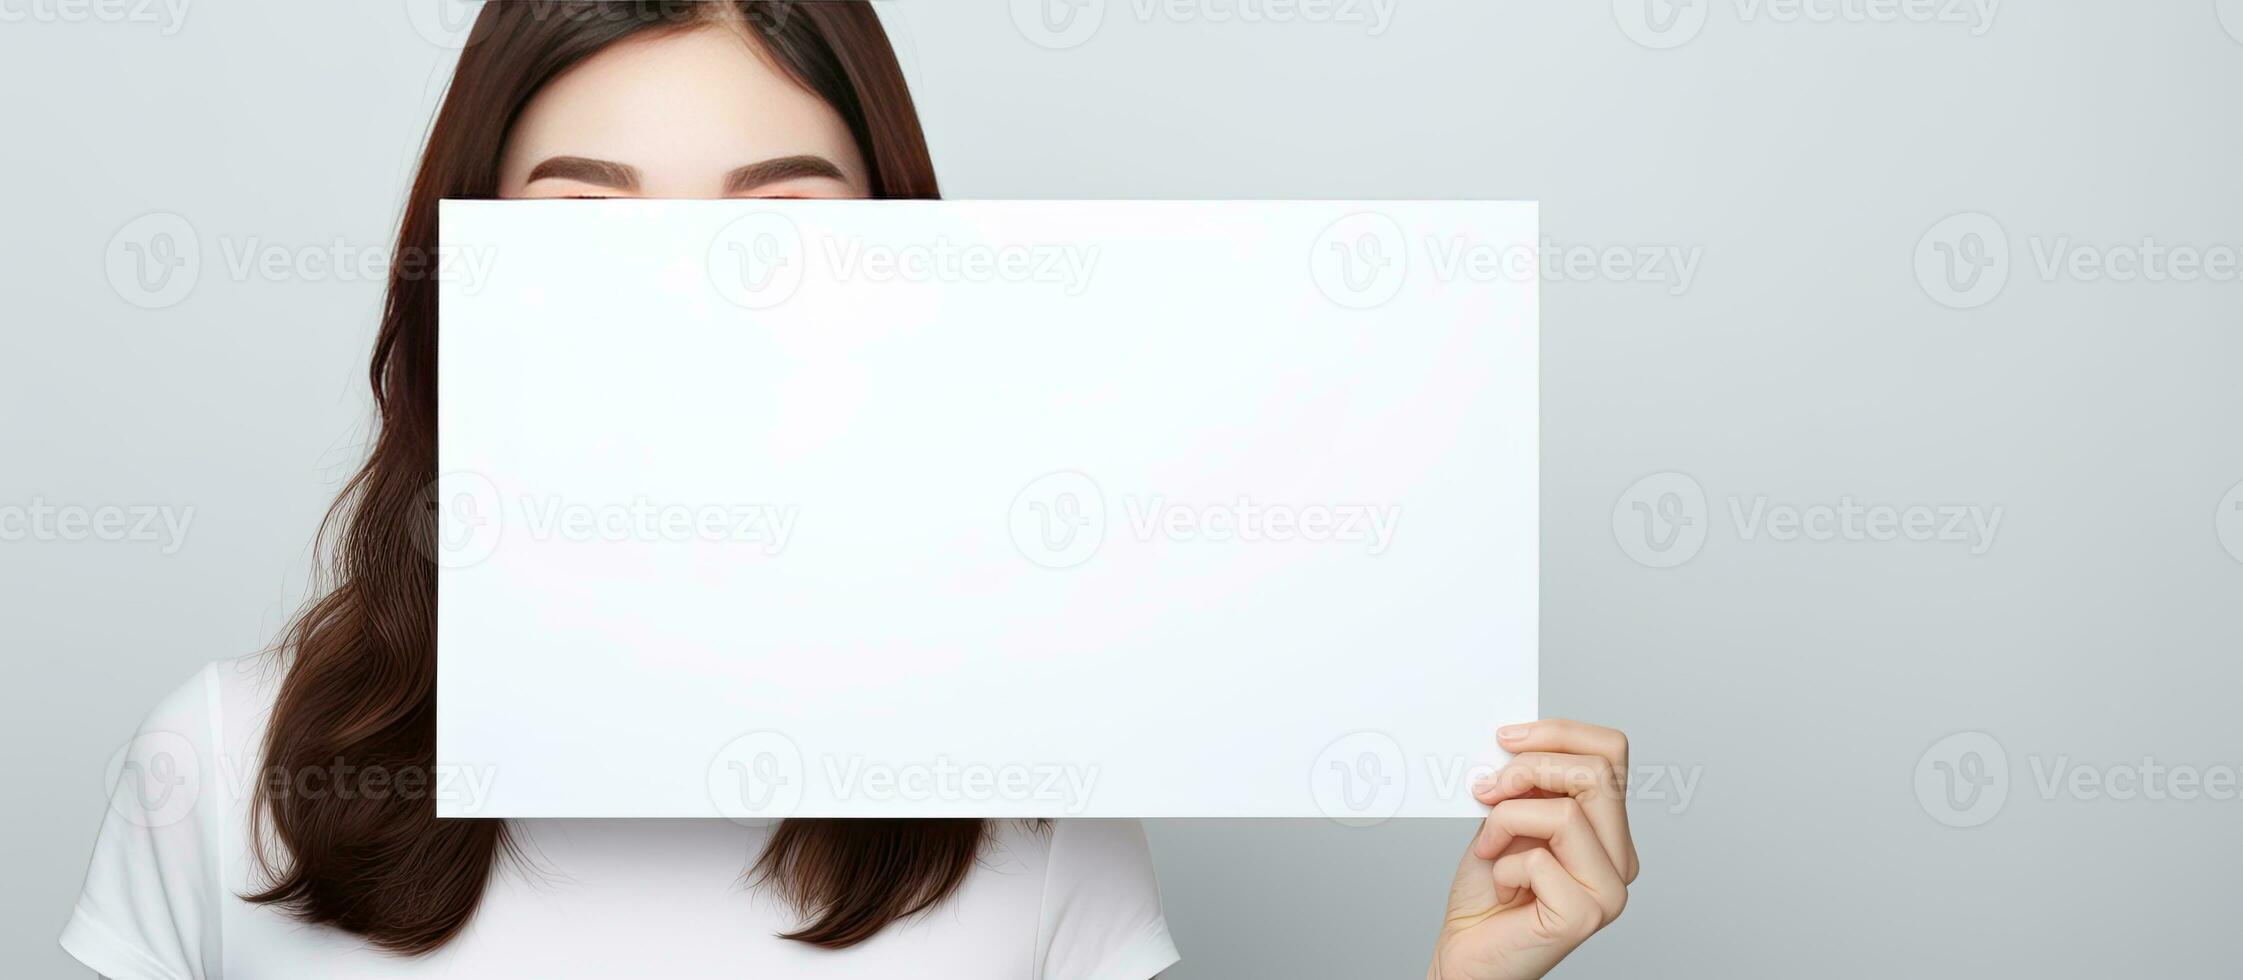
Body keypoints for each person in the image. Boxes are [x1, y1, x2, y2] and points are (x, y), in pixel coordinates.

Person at [63, 5, 1636, 978]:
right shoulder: (221, 768)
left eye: (780, 227)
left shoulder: (1030, 809)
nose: (687, 301)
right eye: (587, 226)